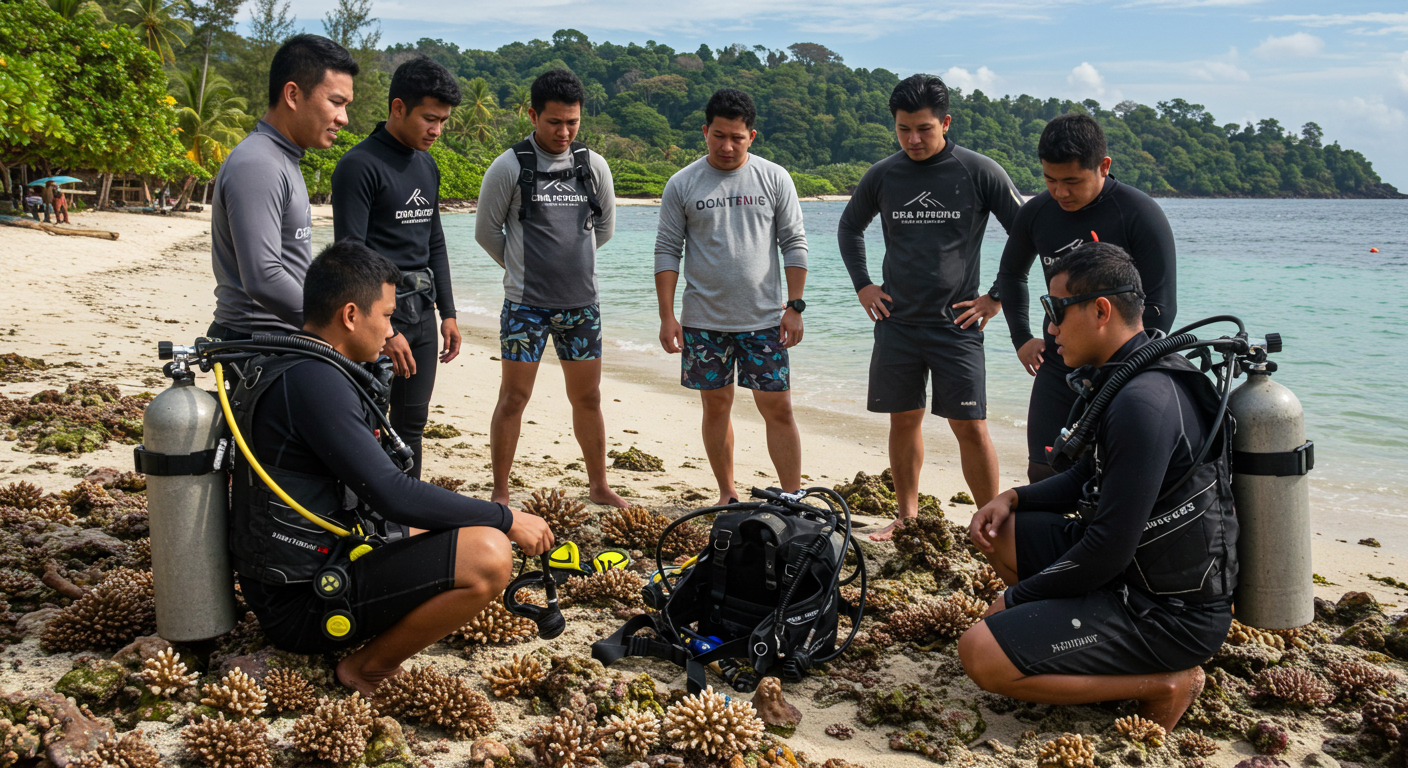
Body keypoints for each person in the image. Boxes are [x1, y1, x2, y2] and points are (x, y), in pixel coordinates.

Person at [229, 239, 555, 696]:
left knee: (457, 529)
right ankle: (365, 670)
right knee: (489, 554)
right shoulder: (316, 382)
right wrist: (508, 517)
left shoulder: (300, 366)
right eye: (386, 315)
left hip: (310, 565)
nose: (390, 330)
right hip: (302, 605)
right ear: (350, 315)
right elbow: (393, 494)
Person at [958, 242, 1235, 733]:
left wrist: (1017, 601)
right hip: (1129, 573)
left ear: (1101, 310)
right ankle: (1077, 648)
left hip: (1169, 613)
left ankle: (1165, 683)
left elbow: (1107, 548)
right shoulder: (1129, 374)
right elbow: (1088, 475)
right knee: (1001, 530)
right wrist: (1012, 497)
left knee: (980, 652)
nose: (1050, 329)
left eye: (1056, 310)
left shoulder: (1143, 401)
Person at [836, 74, 1022, 540]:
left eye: (924, 128)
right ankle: (906, 517)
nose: (913, 139)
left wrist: (996, 296)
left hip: (956, 324)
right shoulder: (884, 174)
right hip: (897, 322)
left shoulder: (978, 171)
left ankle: (991, 526)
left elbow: (1025, 232)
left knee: (970, 425)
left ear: (946, 122)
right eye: (903, 129)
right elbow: (849, 227)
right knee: (903, 420)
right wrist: (863, 286)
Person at [475, 69, 627, 509]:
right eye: (554, 122)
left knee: (588, 397)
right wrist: (522, 269)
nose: (564, 132)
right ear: (532, 115)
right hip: (525, 307)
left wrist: (570, 265)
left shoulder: (592, 165)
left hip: (582, 307)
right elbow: (487, 233)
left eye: (572, 122)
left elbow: (604, 229)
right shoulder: (510, 166)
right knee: (513, 398)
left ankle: (598, 485)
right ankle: (500, 491)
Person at [996, 113, 1177, 484]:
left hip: (1121, 372)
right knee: (1042, 470)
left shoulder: (1139, 213)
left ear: (1103, 167)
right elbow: (1011, 275)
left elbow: (1161, 306)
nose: (1060, 192)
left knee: (1111, 475)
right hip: (1058, 363)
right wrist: (1021, 337)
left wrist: (1128, 368)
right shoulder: (1036, 213)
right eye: (1050, 180)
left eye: (1072, 181)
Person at [654, 88, 809, 506]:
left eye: (736, 138)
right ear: (705, 131)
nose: (726, 146)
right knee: (716, 408)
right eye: (718, 136)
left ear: (751, 136)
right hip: (703, 322)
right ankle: (727, 493)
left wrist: (795, 306)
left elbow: (794, 243)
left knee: (778, 408)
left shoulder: (774, 177)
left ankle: (792, 496)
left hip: (765, 320)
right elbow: (667, 251)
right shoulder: (682, 183)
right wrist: (667, 316)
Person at [332, 56, 462, 480]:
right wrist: (385, 331)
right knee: (369, 428)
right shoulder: (359, 166)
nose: (436, 130)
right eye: (429, 118)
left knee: (411, 429)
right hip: (376, 321)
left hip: (422, 316)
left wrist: (448, 313)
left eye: (443, 121)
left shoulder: (427, 165)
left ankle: (406, 512)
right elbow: (350, 255)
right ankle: (364, 511)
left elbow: (434, 242)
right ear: (398, 107)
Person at [208, 34, 359, 342]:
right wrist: (340, 330)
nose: (343, 118)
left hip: (285, 337)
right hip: (256, 342)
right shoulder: (258, 163)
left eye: (346, 105)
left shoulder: (284, 157)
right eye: (336, 102)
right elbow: (263, 277)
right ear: (292, 95)